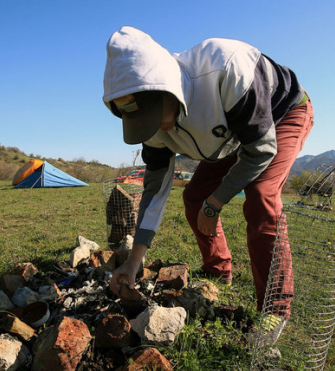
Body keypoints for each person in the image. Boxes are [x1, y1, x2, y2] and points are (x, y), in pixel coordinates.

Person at [103, 26, 314, 321]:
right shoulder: (153, 127)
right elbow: (154, 191)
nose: (155, 129)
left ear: (167, 89)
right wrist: (134, 260)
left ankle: (275, 310)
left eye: (153, 118)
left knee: (261, 197)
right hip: (229, 139)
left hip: (282, 115)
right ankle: (218, 269)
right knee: (194, 196)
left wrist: (215, 204)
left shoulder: (227, 68)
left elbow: (261, 151)